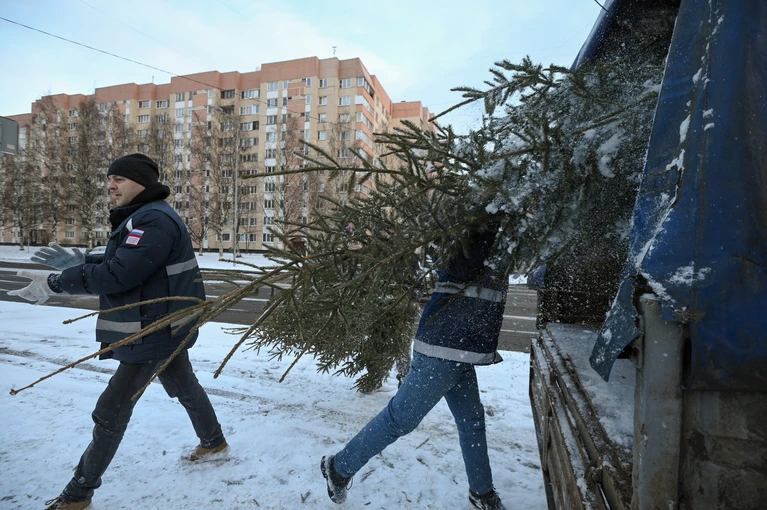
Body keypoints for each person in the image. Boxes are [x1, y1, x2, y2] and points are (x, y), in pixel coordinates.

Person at [9, 154, 227, 510]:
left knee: (110, 411)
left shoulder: (154, 220)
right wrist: (84, 263)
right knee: (185, 386)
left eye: (120, 179)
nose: (111, 185)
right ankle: (214, 442)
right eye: (110, 178)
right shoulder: (146, 216)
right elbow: (127, 260)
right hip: (165, 324)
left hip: (153, 329)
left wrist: (57, 283)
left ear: (142, 182)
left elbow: (120, 274)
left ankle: (78, 495)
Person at [321, 224, 510, 510]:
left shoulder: (489, 222)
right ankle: (339, 467)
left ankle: (481, 492)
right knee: (400, 419)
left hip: (461, 347)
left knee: (472, 420)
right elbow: (459, 266)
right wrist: (489, 228)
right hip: (442, 346)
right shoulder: (470, 222)